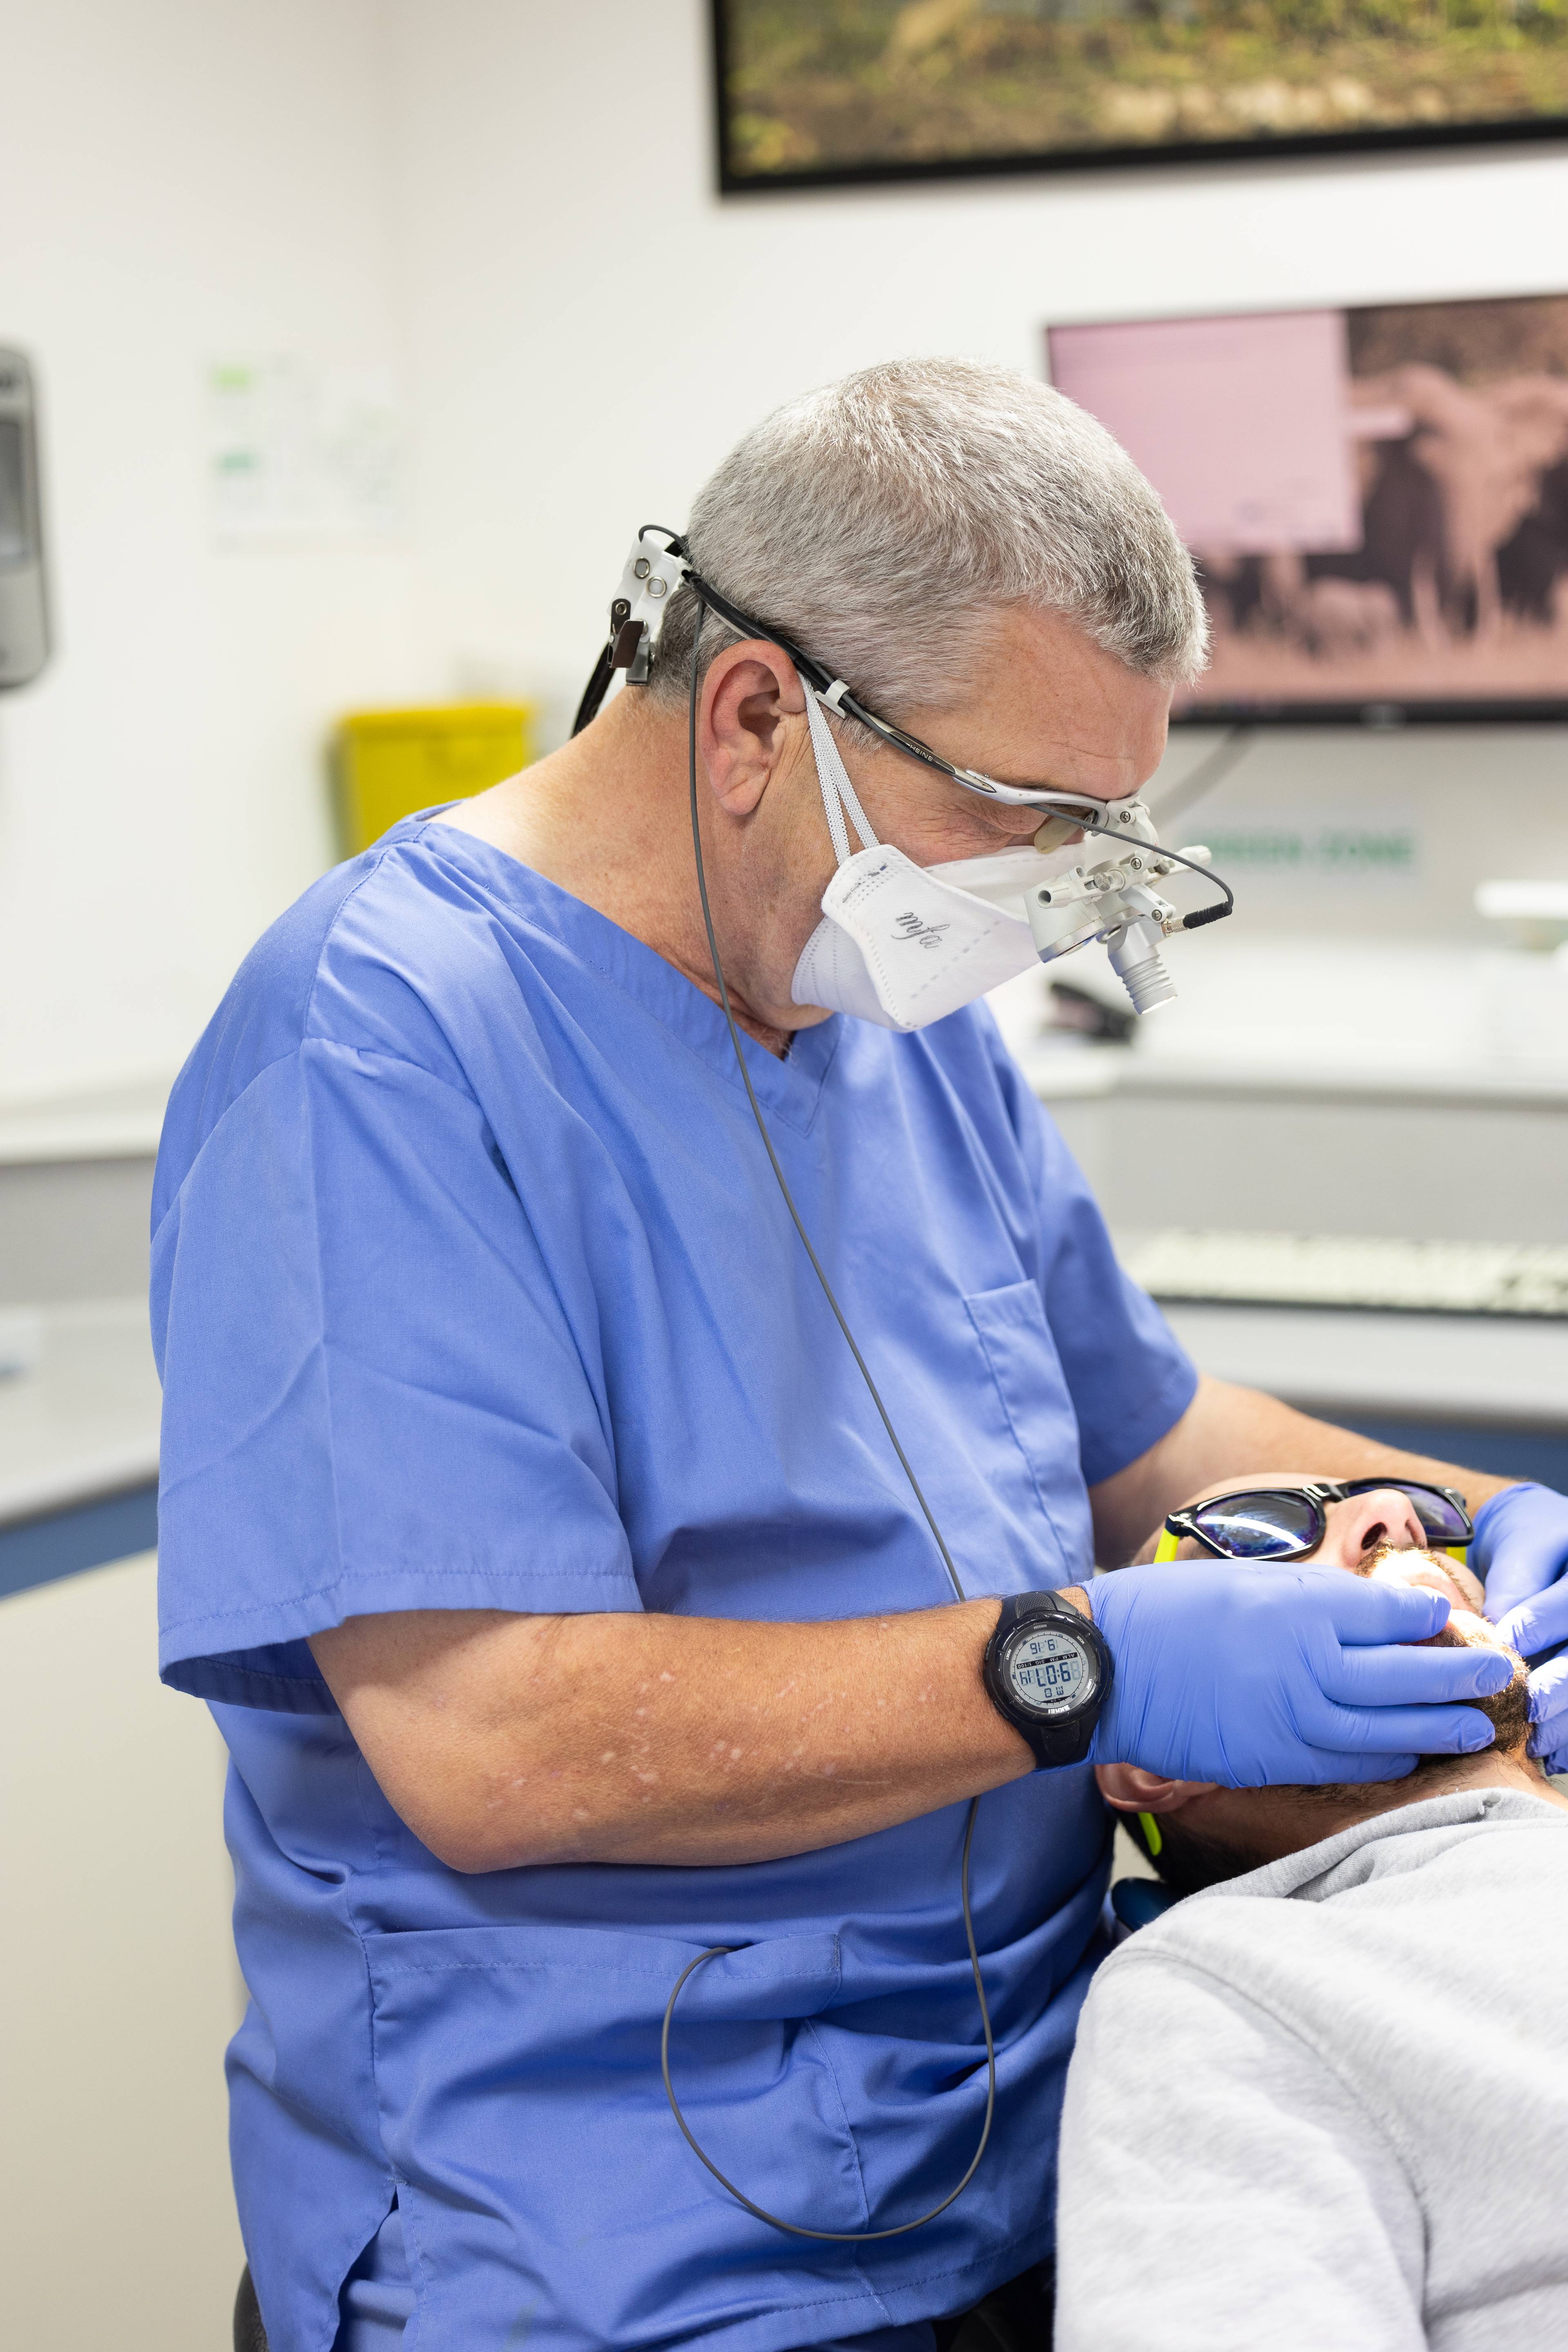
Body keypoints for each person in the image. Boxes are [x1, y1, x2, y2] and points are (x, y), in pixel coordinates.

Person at [151, 359, 1568, 2352]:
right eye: (1027, 815)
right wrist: (1091, 1662)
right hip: (610, 2244)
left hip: (1027, 2160)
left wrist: (1488, 1509)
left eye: (1103, 824)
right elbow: (494, 1738)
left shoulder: (889, 1010)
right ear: (756, 718)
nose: (1056, 895)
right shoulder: (381, 1044)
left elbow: (1139, 1429)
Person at [1055, 1489, 1568, 2351]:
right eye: (1263, 1527)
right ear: (1149, 1761)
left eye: (1431, 1521)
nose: (1393, 1515)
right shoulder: (1229, 1987)